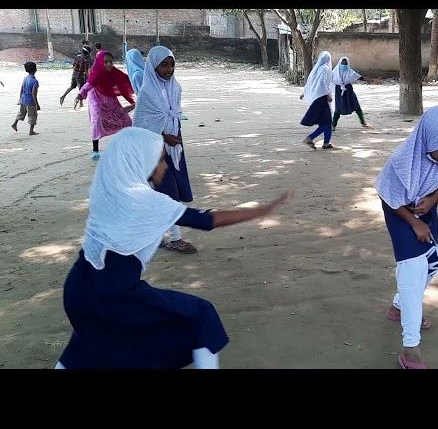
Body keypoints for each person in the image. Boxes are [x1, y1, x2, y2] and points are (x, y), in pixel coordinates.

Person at [53, 127, 292, 369]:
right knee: (201, 315)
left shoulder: (108, 192)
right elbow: (206, 221)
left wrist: (163, 139)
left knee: (89, 340)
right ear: (142, 162)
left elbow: (131, 144)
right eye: (160, 160)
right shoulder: (147, 202)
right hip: (114, 295)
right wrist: (259, 211)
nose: (165, 166)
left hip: (77, 291)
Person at [375, 104, 438, 369]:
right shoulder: (400, 162)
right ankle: (410, 349)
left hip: (425, 207)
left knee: (429, 268)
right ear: (427, 140)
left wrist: (433, 198)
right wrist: (413, 222)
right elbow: (387, 195)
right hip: (398, 209)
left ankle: (399, 307)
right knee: (413, 270)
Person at [134, 46, 196, 253]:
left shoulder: (175, 88)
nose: (169, 69)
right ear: (153, 66)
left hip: (174, 148)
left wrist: (173, 138)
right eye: (164, 65)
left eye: (172, 64)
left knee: (166, 192)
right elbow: (141, 125)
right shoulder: (146, 93)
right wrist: (163, 137)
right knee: (168, 194)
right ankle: (175, 239)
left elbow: (175, 115)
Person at [75, 51, 135, 159]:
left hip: (110, 98)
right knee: (96, 120)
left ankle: (127, 146)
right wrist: (80, 95)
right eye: (105, 62)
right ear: (100, 63)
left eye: (110, 62)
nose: (108, 64)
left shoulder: (114, 72)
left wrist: (133, 100)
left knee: (125, 120)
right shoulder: (96, 73)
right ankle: (95, 150)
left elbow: (126, 81)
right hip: (96, 98)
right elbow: (88, 85)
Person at [300, 51, 335, 150]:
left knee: (326, 123)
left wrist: (305, 92)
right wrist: (328, 93)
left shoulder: (317, 69)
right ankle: (310, 138)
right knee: (326, 123)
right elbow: (322, 82)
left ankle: (326, 143)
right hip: (322, 99)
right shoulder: (325, 69)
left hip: (317, 98)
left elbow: (311, 82)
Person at [331, 56, 372, 130]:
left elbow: (360, 77)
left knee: (356, 106)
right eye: (342, 63)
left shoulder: (350, 72)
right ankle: (333, 125)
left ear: (348, 64)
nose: (344, 65)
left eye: (345, 63)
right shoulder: (334, 73)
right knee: (338, 108)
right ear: (339, 63)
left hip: (349, 91)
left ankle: (363, 123)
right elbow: (327, 79)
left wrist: (372, 80)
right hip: (339, 91)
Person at [11, 61, 41, 136]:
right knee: (33, 115)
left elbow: (21, 89)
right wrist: (37, 104)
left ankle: (14, 124)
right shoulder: (35, 81)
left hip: (23, 99)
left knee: (21, 113)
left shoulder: (25, 78)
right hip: (30, 101)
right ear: (35, 69)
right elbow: (34, 94)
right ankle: (31, 131)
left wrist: (20, 99)